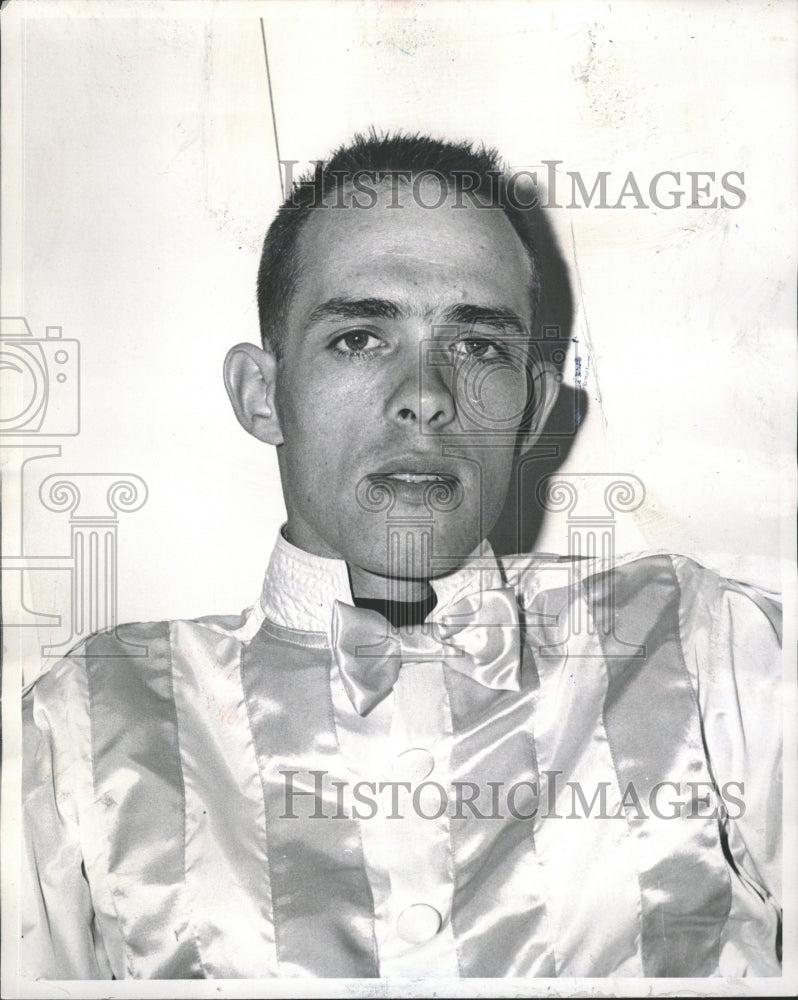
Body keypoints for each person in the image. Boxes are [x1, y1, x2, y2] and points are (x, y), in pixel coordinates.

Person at [21, 131, 782, 981]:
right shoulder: (83, 723)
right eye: (359, 338)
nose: (426, 395)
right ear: (261, 393)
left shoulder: (707, 649)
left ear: (530, 412)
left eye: (480, 345)